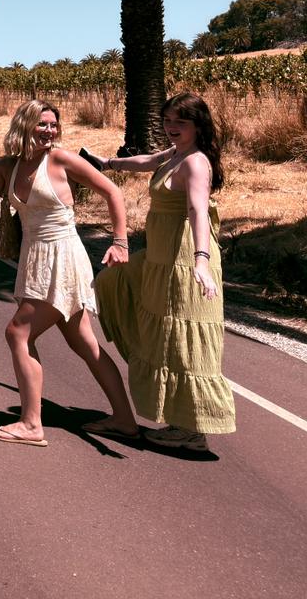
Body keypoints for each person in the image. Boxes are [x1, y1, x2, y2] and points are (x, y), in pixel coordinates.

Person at [0, 99, 138, 447]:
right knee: (84, 343)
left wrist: (120, 242)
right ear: (24, 126)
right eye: (42, 124)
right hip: (35, 258)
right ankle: (124, 420)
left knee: (18, 333)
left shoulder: (60, 159)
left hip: (63, 256)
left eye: (53, 125)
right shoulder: (7, 167)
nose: (49, 131)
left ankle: (31, 424)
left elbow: (112, 191)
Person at [87, 92, 235, 452]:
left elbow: (198, 210)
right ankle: (180, 421)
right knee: (116, 283)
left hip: (183, 259)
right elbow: (146, 161)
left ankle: (191, 430)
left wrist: (200, 259)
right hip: (160, 256)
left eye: (179, 123)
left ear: (198, 126)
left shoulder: (196, 163)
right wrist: (106, 163)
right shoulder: (175, 154)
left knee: (182, 336)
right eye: (167, 120)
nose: (171, 128)